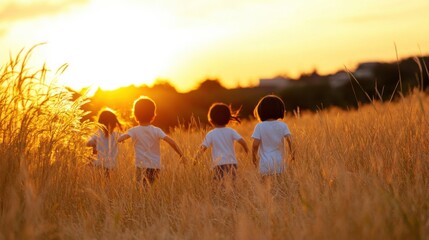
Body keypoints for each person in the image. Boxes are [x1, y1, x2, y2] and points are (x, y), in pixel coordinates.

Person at [118, 96, 184, 185]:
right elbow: (171, 141)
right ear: (153, 115)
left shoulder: (134, 130)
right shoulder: (157, 130)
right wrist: (181, 155)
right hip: (155, 166)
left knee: (141, 189)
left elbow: (120, 138)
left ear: (135, 114)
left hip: (141, 166)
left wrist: (121, 139)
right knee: (151, 189)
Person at [196, 103, 249, 181]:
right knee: (232, 184)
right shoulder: (231, 131)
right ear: (228, 118)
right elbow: (243, 141)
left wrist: (195, 159)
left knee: (219, 186)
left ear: (211, 119)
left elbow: (202, 148)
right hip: (232, 164)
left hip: (218, 165)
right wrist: (247, 151)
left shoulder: (211, 134)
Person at [251, 95, 294, 177]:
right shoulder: (283, 125)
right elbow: (290, 140)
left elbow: (255, 145)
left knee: (265, 187)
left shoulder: (259, 126)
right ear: (280, 110)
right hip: (279, 163)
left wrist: (254, 158)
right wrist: (292, 154)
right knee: (279, 186)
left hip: (264, 164)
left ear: (260, 110)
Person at [86, 108, 123, 177]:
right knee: (108, 183)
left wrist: (93, 143)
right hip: (111, 165)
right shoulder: (116, 135)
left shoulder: (97, 134)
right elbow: (123, 138)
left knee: (98, 183)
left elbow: (88, 143)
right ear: (114, 123)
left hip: (98, 164)